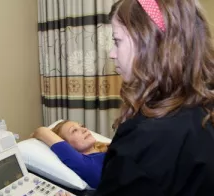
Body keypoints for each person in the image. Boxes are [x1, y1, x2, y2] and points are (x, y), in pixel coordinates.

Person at [92, 0, 214, 195]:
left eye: (117, 41)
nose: (112, 53)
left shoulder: (147, 140)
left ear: (149, 43)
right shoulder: (204, 108)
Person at [32, 120, 110, 189]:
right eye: (74, 130)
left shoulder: (107, 148)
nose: (84, 129)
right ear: (66, 145)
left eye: (82, 126)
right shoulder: (86, 164)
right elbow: (42, 131)